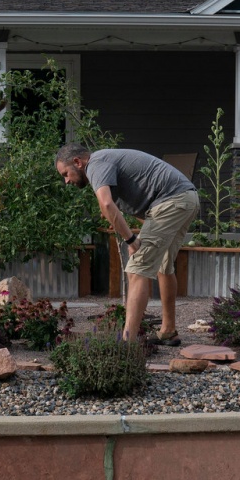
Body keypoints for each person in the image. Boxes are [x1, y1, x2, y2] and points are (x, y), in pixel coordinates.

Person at [54, 144, 200, 344]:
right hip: (185, 198)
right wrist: (141, 236)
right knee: (163, 265)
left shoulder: (95, 164)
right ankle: (168, 331)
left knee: (137, 269)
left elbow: (106, 204)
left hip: (171, 201)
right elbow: (116, 210)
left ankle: (127, 342)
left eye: (66, 173)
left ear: (77, 162)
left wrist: (131, 240)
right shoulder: (104, 162)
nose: (66, 180)